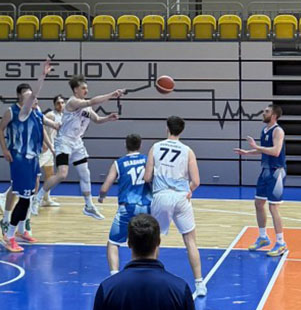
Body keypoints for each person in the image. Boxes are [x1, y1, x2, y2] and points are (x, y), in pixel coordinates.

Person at [40, 75, 125, 220]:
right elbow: (92, 101)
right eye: (83, 88)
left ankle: (89, 206)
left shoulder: (87, 106)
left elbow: (96, 119)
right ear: (75, 90)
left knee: (85, 174)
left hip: (77, 143)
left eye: (86, 87)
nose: (86, 90)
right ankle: (38, 198)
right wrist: (112, 94)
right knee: (62, 174)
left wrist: (108, 118)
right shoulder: (73, 102)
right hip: (64, 141)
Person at [0, 59, 55, 253]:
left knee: (27, 197)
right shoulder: (19, 112)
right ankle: (9, 235)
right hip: (19, 158)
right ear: (21, 98)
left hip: (32, 159)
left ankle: (20, 230)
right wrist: (43, 75)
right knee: (24, 199)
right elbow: (0, 130)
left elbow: (52, 126)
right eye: (29, 95)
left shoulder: (36, 112)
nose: (33, 98)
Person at [144, 116, 205, 297]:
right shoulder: (188, 151)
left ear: (167, 128)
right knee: (190, 241)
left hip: (161, 196)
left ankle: (149, 280)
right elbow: (196, 181)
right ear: (182, 131)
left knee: (154, 240)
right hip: (180, 197)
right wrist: (189, 191)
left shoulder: (155, 147)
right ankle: (200, 284)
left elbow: (147, 177)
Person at [234, 104, 288, 257]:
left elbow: (276, 151)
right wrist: (247, 152)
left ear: (274, 115)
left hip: (276, 172)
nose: (263, 113)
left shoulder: (278, 131)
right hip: (265, 170)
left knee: (273, 207)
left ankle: (281, 242)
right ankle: (263, 237)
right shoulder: (264, 130)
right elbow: (262, 150)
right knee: (258, 203)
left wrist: (256, 146)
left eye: (266, 111)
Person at [98, 134, 153, 275]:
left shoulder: (119, 163)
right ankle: (149, 270)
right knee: (148, 241)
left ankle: (114, 274)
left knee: (113, 242)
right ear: (140, 145)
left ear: (125, 145)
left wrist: (101, 197)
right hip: (146, 206)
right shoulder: (148, 160)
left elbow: (105, 187)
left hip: (127, 207)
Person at [32, 94, 66, 211]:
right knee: (33, 173)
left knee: (49, 174)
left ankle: (46, 198)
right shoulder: (51, 115)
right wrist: (43, 144)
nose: (60, 105)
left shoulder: (63, 115)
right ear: (54, 104)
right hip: (45, 149)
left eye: (62, 102)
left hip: (53, 149)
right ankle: (9, 195)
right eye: (58, 103)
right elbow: (40, 128)